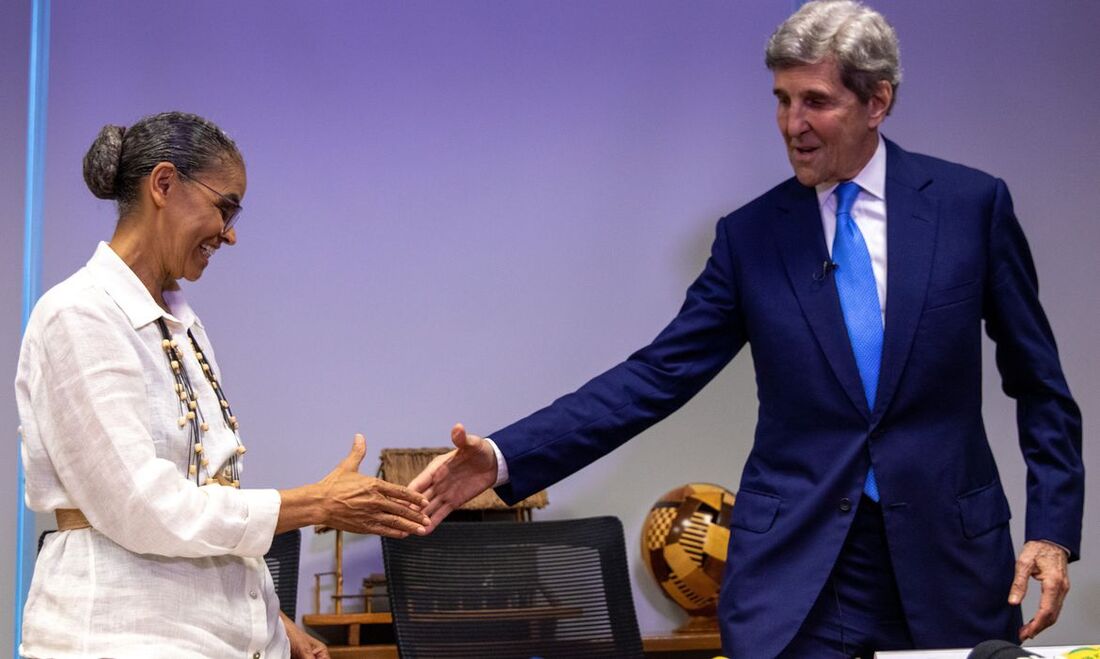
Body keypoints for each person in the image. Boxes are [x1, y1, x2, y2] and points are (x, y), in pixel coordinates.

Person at [409, 2, 1084, 657]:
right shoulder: (751, 238)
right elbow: (655, 375)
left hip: (950, 564)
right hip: (801, 576)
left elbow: (1040, 383)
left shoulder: (971, 207)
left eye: (815, 100)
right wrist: (503, 457)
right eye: (782, 100)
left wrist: (1052, 529)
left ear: (877, 102)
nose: (793, 123)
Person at [15, 111, 432, 659]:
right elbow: (145, 508)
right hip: (123, 637)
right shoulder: (78, 315)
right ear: (164, 184)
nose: (231, 233)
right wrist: (316, 505)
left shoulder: (183, 325)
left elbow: (204, 499)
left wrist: (273, 622)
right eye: (225, 206)